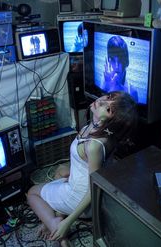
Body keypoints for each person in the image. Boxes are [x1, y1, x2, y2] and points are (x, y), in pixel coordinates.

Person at [27, 91, 138, 245]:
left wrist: (68, 223)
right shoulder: (100, 130)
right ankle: (57, 214)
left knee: (32, 193)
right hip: (79, 185)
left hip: (82, 199)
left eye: (108, 109)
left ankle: (57, 229)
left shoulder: (94, 145)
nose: (101, 102)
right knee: (60, 171)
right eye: (108, 97)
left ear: (112, 121)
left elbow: (93, 188)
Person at [103, 36, 138, 102]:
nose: (116, 66)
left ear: (126, 60)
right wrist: (108, 86)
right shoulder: (105, 81)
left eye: (120, 59)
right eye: (113, 60)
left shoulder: (132, 92)